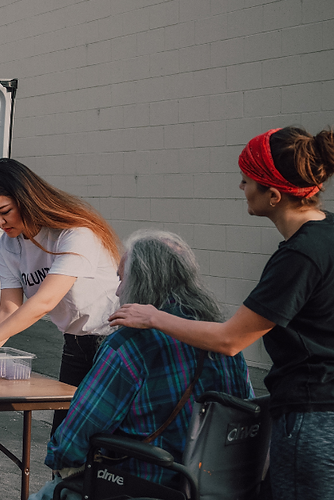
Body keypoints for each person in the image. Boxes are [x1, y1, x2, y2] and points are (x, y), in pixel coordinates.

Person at [110, 127, 334, 500]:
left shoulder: (299, 256)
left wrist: (153, 317)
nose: (240, 187)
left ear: (274, 195)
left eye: (247, 181)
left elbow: (231, 339)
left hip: (313, 416)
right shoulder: (328, 234)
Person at [28, 230, 253, 500]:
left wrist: (60, 460)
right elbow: (244, 412)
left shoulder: (129, 344)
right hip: (215, 484)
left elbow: (79, 432)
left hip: (140, 483)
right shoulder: (220, 337)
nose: (119, 290)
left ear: (141, 282)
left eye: (122, 279)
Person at [0, 158, 121, 434]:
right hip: (75, 342)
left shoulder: (74, 233)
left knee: (98, 438)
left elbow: (44, 302)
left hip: (114, 342)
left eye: (4, 211)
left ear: (26, 199)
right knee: (64, 439)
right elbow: (9, 307)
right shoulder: (9, 243)